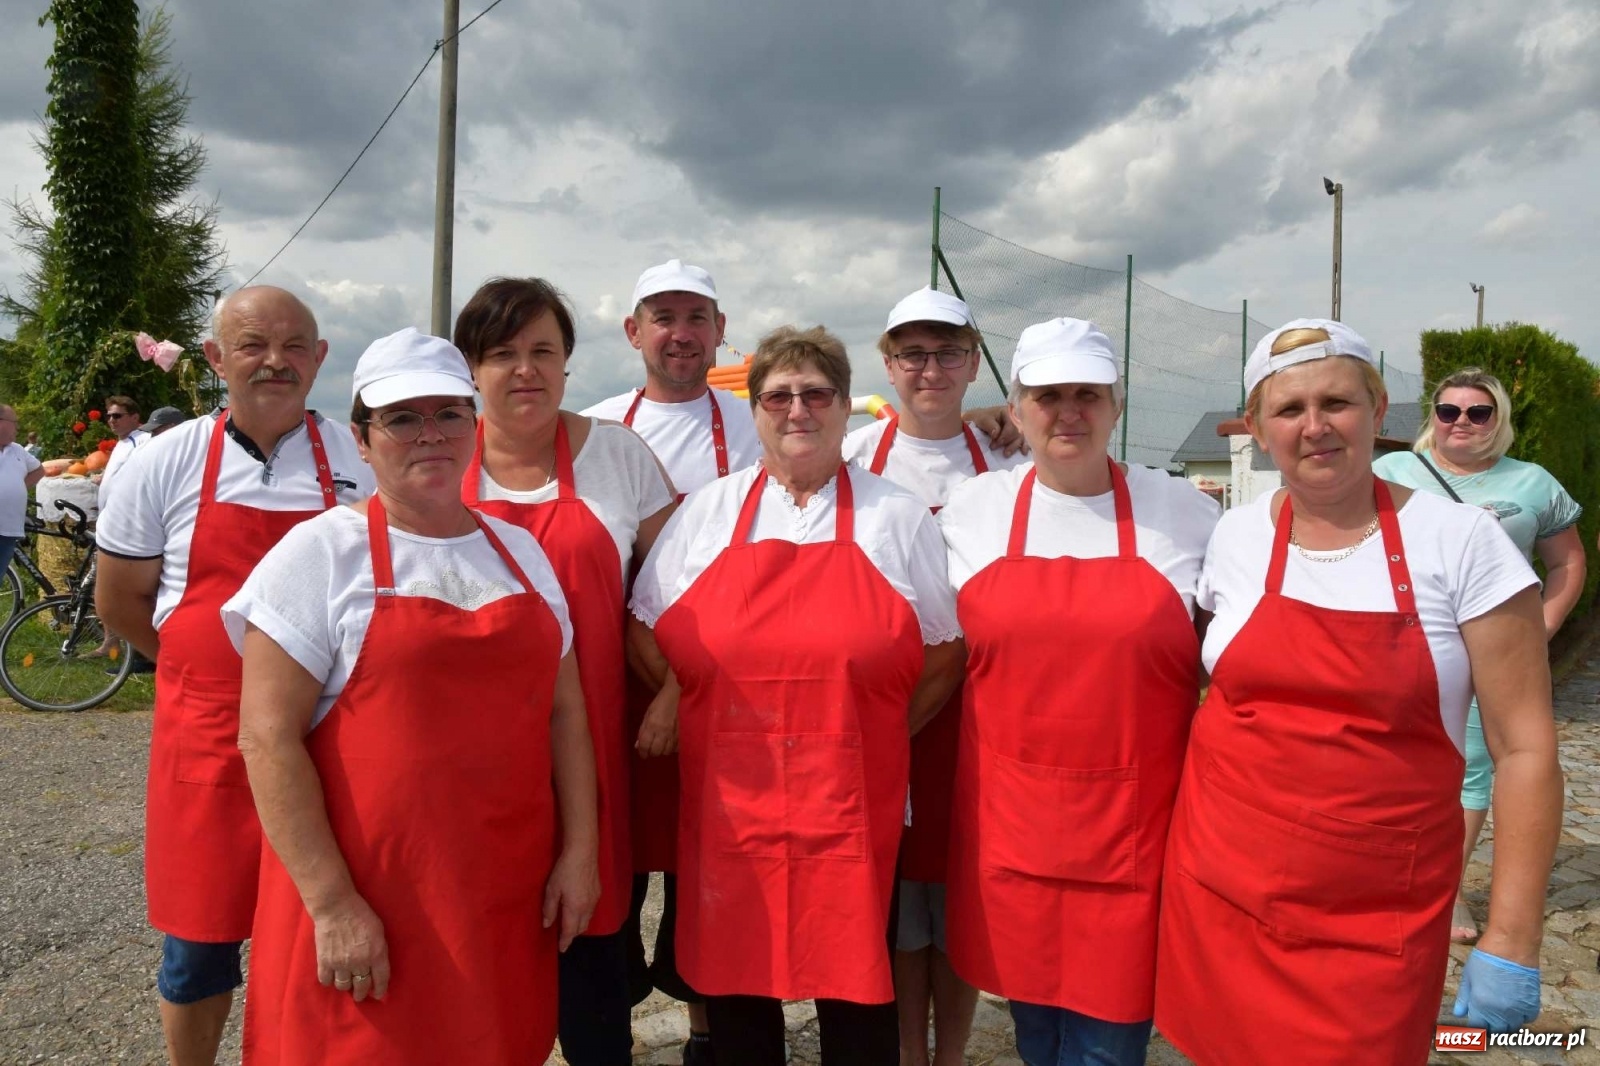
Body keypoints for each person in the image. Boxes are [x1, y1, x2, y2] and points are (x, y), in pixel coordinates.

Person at [1155, 320, 1562, 1063]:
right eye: (1288, 410)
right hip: (1221, 897)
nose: (1315, 428)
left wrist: (1512, 934)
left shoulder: (1463, 541)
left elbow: (1526, 746)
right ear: (1254, 428)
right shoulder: (1235, 536)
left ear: (1378, 411)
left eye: (1337, 403)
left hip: (1374, 922)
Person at [228, 328, 598, 1064]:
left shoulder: (518, 551)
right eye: (402, 418)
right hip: (374, 902)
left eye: (449, 414)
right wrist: (332, 904)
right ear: (362, 441)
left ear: (474, 424)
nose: (430, 435)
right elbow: (266, 740)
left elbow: (565, 712)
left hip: (499, 894)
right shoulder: (319, 554)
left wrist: (581, 852)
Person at [629, 325, 966, 1066]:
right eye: (778, 396)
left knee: (856, 997)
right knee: (739, 994)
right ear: (754, 412)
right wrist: (677, 698)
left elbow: (944, 652)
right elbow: (644, 626)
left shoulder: (895, 516)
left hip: (850, 804)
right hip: (730, 801)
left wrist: (876, 731)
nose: (797, 410)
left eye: (816, 393)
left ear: (846, 407)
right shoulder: (710, 513)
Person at [95, 286, 374, 1066]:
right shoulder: (164, 460)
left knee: (332, 936)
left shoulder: (360, 461)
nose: (275, 361)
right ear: (217, 359)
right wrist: (203, 671)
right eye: (253, 344)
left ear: (321, 359)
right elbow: (121, 601)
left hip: (330, 742)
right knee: (198, 950)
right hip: (209, 745)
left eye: (295, 346)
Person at [938, 319, 1218, 1066]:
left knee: (1106, 1044)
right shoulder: (973, 511)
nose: (1069, 412)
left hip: (1134, 832)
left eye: (1087, 394)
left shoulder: (1187, 513)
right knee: (1036, 1033)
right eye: (1048, 395)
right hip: (1011, 826)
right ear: (1017, 407)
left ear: (1117, 405)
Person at [455, 277, 676, 1066]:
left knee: (590, 967)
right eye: (503, 354)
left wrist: (680, 684)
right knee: (477, 956)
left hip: (593, 748)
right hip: (474, 761)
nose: (525, 371)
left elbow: (684, 585)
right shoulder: (441, 464)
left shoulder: (615, 455)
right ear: (470, 369)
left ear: (568, 363)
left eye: (543, 351)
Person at [840, 287, 1026, 1066]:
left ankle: (946, 1054)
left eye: (948, 351)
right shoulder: (853, 457)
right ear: (888, 363)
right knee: (891, 895)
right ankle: (905, 1055)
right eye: (912, 353)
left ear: (973, 361)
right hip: (883, 700)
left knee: (954, 895)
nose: (930, 369)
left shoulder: (1013, 456)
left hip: (975, 701)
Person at [582, 259, 759, 1062]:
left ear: (721, 330)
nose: (680, 332)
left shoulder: (758, 426)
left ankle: (704, 1035)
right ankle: (606, 1030)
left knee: (706, 868)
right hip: (611, 683)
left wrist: (992, 416)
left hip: (722, 679)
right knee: (615, 860)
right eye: (663, 316)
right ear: (633, 332)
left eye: (697, 316)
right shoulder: (590, 429)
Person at [1374, 367, 1585, 942]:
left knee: (1470, 771)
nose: (1461, 422)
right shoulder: (1390, 471)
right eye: (1449, 411)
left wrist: (1542, 626)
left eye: (1478, 411)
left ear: (1498, 419)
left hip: (1490, 651)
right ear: (1432, 418)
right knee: (1387, 761)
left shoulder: (1532, 483)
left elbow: (1567, 563)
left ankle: (1446, 892)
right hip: (1397, 643)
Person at [0, 404, 45, 574]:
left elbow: (39, 470)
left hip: (9, 529)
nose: (18, 427)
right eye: (15, 422)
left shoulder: (17, 449)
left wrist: (17, 487)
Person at [98, 395, 149, 510]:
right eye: (109, 416)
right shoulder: (123, 442)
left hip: (129, 514)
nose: (111, 420)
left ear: (135, 418)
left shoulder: (142, 440)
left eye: (117, 416)